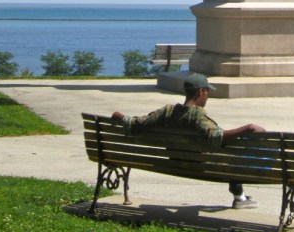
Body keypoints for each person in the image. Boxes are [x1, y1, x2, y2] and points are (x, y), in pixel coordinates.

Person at [112, 72, 265, 209]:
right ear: (201, 92)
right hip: (201, 167)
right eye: (207, 92)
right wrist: (248, 128)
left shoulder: (167, 112)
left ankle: (241, 197)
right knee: (232, 154)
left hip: (176, 162)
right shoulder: (197, 116)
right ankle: (240, 197)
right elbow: (215, 137)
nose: (208, 96)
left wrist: (121, 117)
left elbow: (138, 124)